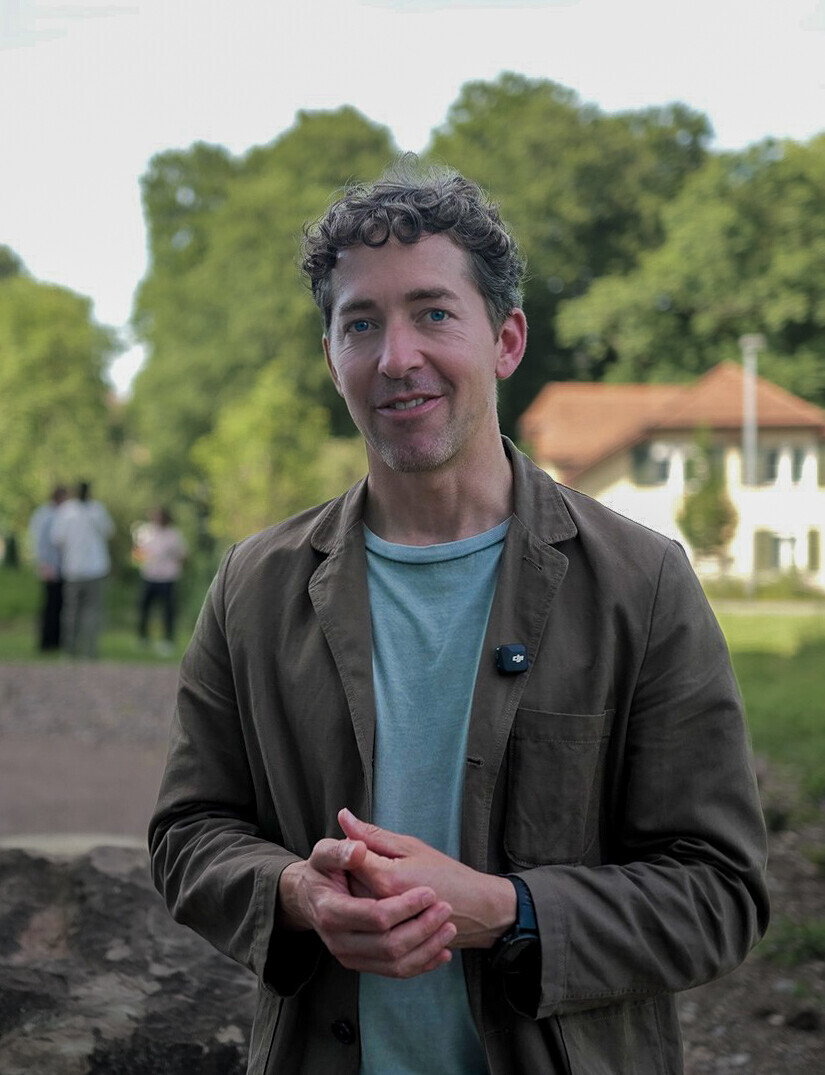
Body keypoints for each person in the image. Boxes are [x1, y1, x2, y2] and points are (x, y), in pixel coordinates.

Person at [149, 165, 769, 1074]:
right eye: (361, 322)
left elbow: (720, 891)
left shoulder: (640, 582)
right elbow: (186, 831)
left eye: (433, 313)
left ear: (506, 339)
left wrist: (503, 909)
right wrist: (292, 891)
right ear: (331, 356)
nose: (396, 356)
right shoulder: (252, 586)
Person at [51, 480, 115, 659]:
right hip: (94, 568)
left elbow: (57, 539)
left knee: (71, 611)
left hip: (74, 568)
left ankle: (70, 650)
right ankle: (89, 650)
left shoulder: (66, 511)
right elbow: (109, 532)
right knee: (90, 611)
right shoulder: (98, 510)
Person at [133, 506, 187, 655]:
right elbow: (137, 553)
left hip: (168, 577)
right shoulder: (146, 532)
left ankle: (167, 640)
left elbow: (183, 556)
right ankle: (143, 637)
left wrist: (172, 556)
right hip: (149, 575)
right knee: (144, 608)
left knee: (168, 611)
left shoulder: (174, 535)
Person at [28, 484, 67, 651]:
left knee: (60, 605)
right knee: (50, 605)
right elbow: (40, 542)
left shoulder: (62, 514)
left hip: (62, 567)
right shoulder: (45, 514)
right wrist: (44, 564)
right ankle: (47, 642)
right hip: (51, 566)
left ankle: (57, 641)